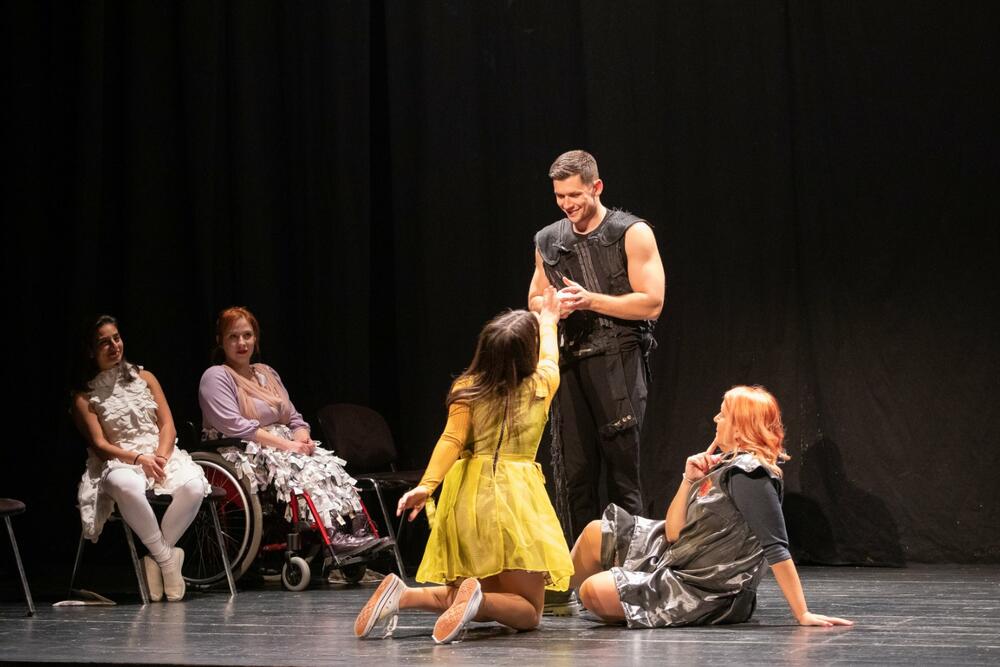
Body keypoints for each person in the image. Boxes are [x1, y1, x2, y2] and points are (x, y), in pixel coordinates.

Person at [354, 287, 574, 644]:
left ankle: (402, 596)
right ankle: (478, 601)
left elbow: (451, 440)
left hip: (469, 500)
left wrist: (427, 486)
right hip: (516, 499)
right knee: (529, 611)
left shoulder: (468, 388)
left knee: (472, 588)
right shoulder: (542, 384)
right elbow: (550, 353)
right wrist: (549, 320)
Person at [568, 386, 854, 629]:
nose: (716, 419)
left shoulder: (750, 475)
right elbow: (673, 533)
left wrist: (802, 614)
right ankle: (555, 598)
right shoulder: (725, 465)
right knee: (596, 532)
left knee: (594, 591)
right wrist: (688, 479)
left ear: (740, 427)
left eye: (723, 414)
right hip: (684, 558)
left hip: (707, 588)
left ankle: (588, 597)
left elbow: (776, 547)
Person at [528, 149, 665, 612]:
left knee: (623, 470)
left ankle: (632, 575)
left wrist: (590, 301)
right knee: (576, 474)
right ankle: (577, 576)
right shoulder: (548, 240)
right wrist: (552, 306)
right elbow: (534, 298)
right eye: (560, 197)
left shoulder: (631, 232)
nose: (567, 204)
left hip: (618, 360)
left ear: (596, 187)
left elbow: (651, 303)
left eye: (575, 195)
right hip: (571, 363)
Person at [198, 306, 382, 557]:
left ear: (255, 338)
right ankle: (332, 536)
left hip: (281, 442)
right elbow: (235, 425)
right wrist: (288, 446)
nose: (242, 343)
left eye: (247, 335)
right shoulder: (216, 377)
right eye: (233, 337)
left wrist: (303, 439)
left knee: (325, 463)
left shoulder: (266, 373)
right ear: (221, 341)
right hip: (241, 447)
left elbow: (293, 417)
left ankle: (358, 529)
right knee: (295, 466)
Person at [72, 315, 210, 603]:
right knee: (126, 486)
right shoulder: (84, 397)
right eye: (104, 342)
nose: (114, 346)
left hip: (160, 454)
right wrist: (138, 458)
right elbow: (100, 445)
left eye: (116, 338)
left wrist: (159, 456)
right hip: (120, 460)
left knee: (195, 486)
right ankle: (168, 561)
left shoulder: (145, 378)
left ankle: (155, 560)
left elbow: (168, 425)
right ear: (90, 350)